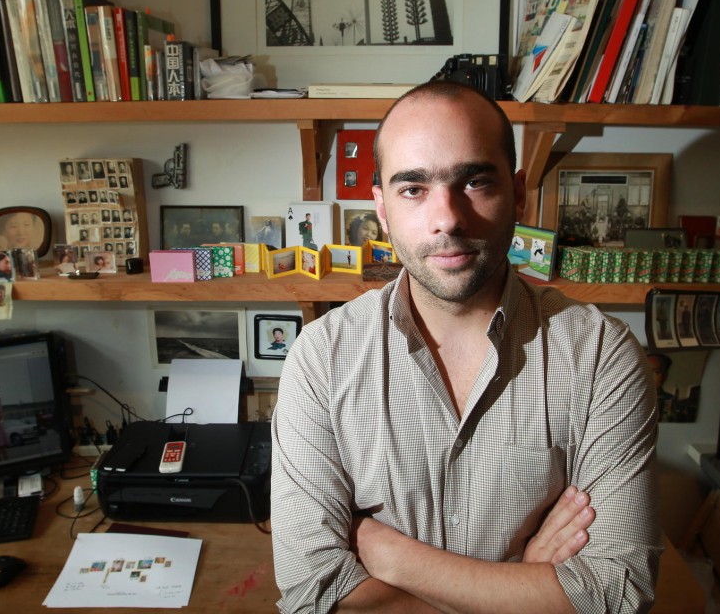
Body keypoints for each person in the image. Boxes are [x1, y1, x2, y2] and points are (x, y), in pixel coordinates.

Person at [271, 81, 661, 612]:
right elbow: (312, 594)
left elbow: (618, 591)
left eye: (475, 181)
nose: (448, 219)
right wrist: (523, 585)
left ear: (518, 193)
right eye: (413, 189)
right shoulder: (321, 359)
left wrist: (391, 556)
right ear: (381, 208)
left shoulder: (599, 354)